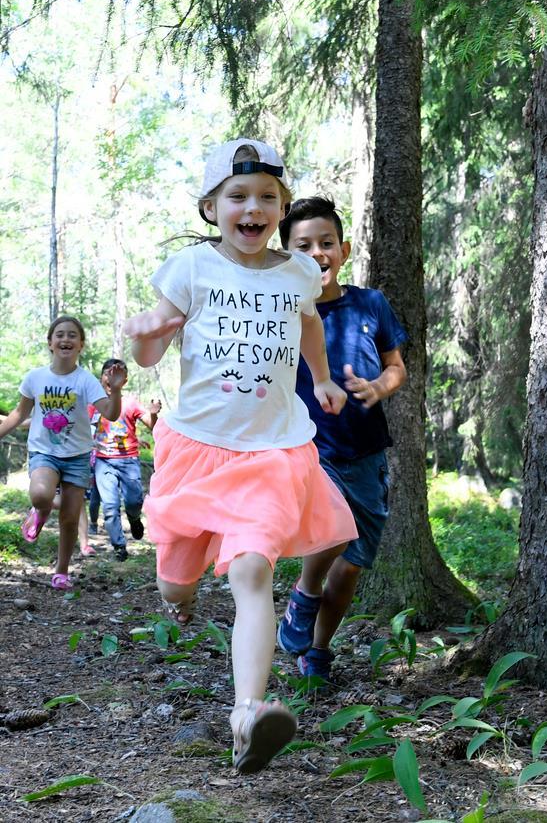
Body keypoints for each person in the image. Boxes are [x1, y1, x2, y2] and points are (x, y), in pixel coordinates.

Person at [124, 138, 358, 774]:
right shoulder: (190, 270)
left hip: (272, 451)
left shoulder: (298, 273)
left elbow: (308, 322)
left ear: (280, 206)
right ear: (211, 206)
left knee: (253, 571)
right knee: (175, 581)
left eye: (266, 198)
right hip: (197, 447)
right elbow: (154, 348)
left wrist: (325, 377)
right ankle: (181, 594)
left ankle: (248, 713)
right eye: (237, 197)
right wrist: (145, 338)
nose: (252, 209)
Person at [277, 196, 407, 680]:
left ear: (344, 249)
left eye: (326, 243)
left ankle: (317, 650)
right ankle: (304, 593)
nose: (317, 253)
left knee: (352, 564)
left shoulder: (370, 304)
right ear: (288, 255)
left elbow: (398, 369)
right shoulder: (285, 312)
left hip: (367, 451)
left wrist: (379, 387)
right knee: (333, 528)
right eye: (303, 245)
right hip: (313, 448)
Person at [0, 315, 125, 588]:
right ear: (50, 343)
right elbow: (20, 413)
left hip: (78, 456)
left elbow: (111, 413)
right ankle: (41, 511)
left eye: (72, 335)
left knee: (70, 518)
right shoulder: (35, 377)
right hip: (45, 452)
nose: (65, 339)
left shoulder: (86, 380)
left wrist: (115, 391)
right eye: (60, 334)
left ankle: (62, 571)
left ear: (81, 344)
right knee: (41, 494)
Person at [88, 359, 162, 562]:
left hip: (128, 460)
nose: (111, 377)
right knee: (110, 507)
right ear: (101, 378)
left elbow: (151, 425)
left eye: (117, 374)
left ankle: (134, 517)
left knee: (133, 502)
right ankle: (119, 546)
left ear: (125, 379)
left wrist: (154, 414)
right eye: (107, 373)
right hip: (104, 461)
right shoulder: (94, 404)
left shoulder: (130, 403)